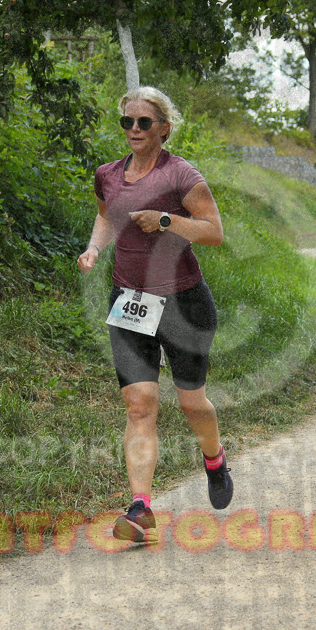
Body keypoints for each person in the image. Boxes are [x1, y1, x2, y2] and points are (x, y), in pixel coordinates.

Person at [76, 86, 232, 544]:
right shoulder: (107, 174)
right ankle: (141, 508)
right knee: (139, 405)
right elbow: (106, 217)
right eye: (128, 122)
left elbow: (213, 232)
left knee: (191, 403)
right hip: (128, 301)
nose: (134, 130)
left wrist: (166, 220)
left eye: (144, 123)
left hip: (184, 303)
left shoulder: (182, 175)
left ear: (164, 128)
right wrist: (93, 248)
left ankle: (214, 457)